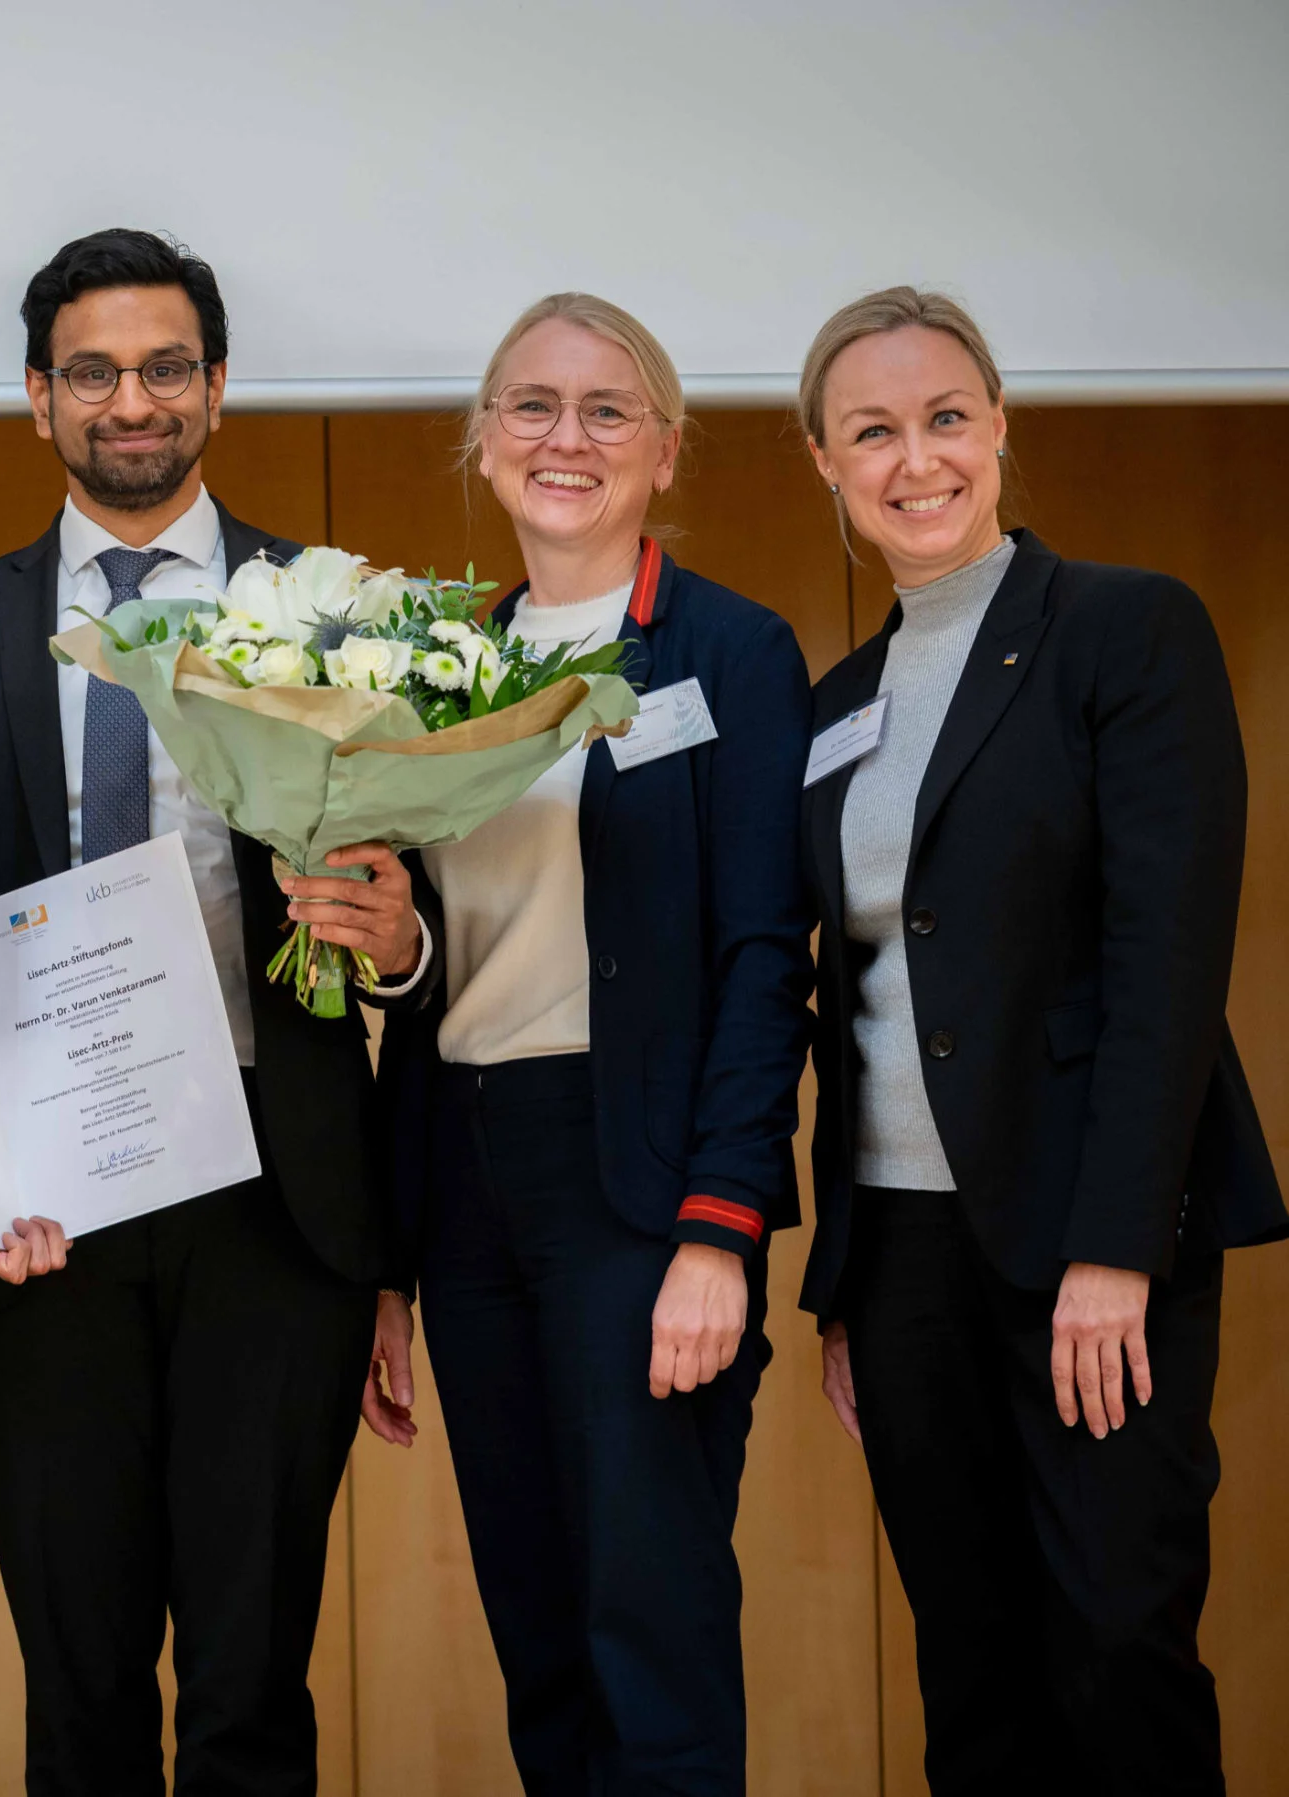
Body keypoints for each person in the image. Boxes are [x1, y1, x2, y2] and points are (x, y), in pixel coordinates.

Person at [0, 228, 419, 1795]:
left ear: (219, 388)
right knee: (81, 1685)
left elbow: (417, 910)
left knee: (252, 1682)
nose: (134, 401)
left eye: (168, 368)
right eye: (96, 372)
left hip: (277, 1195)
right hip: (38, 1208)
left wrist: (395, 942)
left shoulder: (335, 618)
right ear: (38, 396)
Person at [794, 286, 1283, 1796]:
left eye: (946, 417)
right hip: (904, 1258)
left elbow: (1167, 960)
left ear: (1000, 427)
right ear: (825, 461)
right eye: (874, 430)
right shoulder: (835, 707)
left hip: (1086, 1237)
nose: (916, 460)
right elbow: (850, 994)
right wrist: (845, 1286)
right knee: (973, 1671)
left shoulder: (1125, 629)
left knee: (1118, 1651)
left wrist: (1117, 1249)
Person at [365, 294, 816, 1794]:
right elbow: (434, 965)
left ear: (665, 452)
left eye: (608, 410)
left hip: (640, 1187)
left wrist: (719, 1229)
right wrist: (390, 1260)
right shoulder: (433, 666)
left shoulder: (732, 652)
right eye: (533, 405)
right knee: (542, 1635)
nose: (568, 437)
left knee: (650, 1627)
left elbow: (765, 960)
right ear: (484, 442)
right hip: (468, 1182)